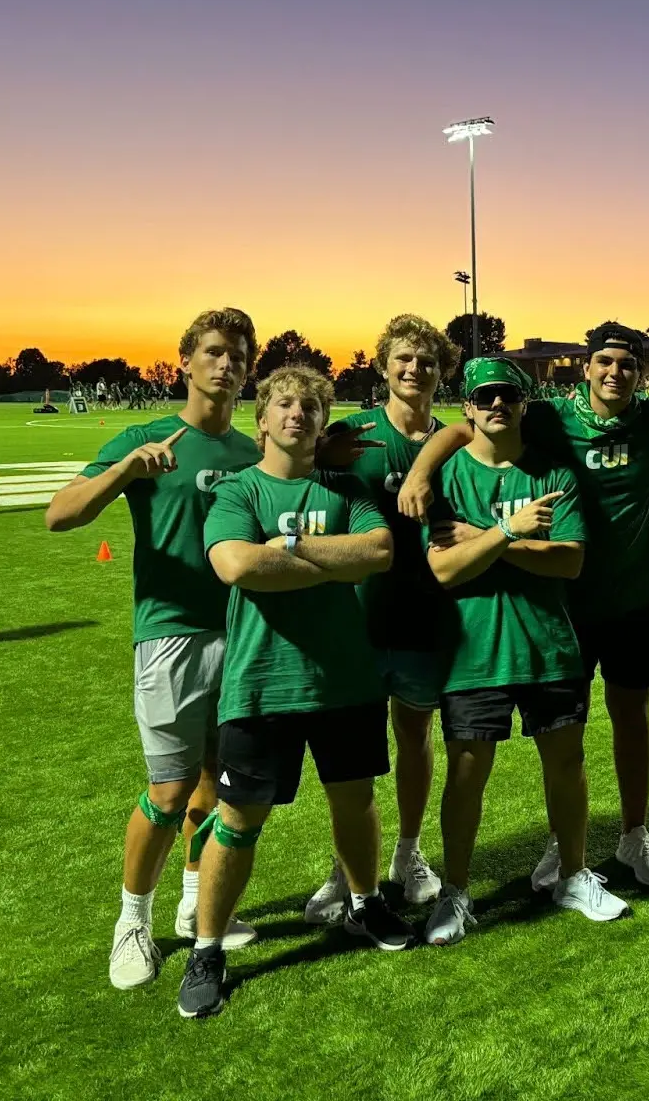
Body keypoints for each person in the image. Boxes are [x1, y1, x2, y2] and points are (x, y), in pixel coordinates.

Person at [400, 323, 649, 889]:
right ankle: (563, 848)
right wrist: (420, 471)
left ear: (642, 374)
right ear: (585, 369)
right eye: (604, 362)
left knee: (631, 719)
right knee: (566, 733)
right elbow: (466, 425)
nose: (615, 373)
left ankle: (634, 837)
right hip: (564, 605)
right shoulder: (549, 416)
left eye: (627, 365)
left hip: (633, 594)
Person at [177, 365, 408, 1018]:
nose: (297, 414)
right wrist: (323, 560)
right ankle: (209, 949)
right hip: (260, 685)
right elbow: (237, 565)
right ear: (263, 419)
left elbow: (380, 552)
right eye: (284, 403)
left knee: (355, 802)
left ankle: (364, 905)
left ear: (322, 421)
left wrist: (291, 545)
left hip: (345, 682)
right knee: (239, 821)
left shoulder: (346, 488)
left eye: (310, 405)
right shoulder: (238, 491)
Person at [44, 309, 265, 990]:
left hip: (242, 635)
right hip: (170, 635)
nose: (225, 365)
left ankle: (196, 904)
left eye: (237, 355)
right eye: (213, 352)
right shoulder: (144, 437)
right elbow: (60, 514)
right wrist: (126, 473)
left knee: (215, 783)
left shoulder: (250, 453)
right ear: (186, 362)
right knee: (168, 791)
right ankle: (131, 922)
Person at [421, 358, 628, 942]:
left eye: (507, 396)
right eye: (484, 396)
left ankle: (572, 873)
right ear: (467, 407)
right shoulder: (448, 476)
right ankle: (457, 894)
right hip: (473, 650)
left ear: (523, 404)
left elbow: (569, 559)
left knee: (566, 764)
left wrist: (483, 541)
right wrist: (512, 531)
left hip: (548, 645)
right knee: (465, 774)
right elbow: (443, 569)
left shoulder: (554, 472)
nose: (496, 405)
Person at [303, 315, 460, 924]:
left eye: (426, 361)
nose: (414, 369)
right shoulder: (350, 434)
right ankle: (347, 867)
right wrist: (319, 456)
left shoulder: (455, 442)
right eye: (403, 358)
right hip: (355, 618)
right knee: (354, 751)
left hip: (426, 617)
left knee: (416, 738)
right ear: (382, 365)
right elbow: (296, 482)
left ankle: (409, 852)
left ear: (441, 371)